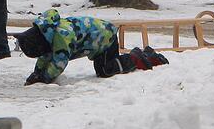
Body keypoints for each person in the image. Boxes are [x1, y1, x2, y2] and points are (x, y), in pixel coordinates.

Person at [14, 9, 168, 85]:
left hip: (106, 38)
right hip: (99, 39)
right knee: (103, 68)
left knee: (105, 70)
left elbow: (59, 62)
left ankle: (139, 58)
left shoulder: (61, 37)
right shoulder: (48, 33)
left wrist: (44, 78)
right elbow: (45, 56)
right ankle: (141, 55)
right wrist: (37, 72)